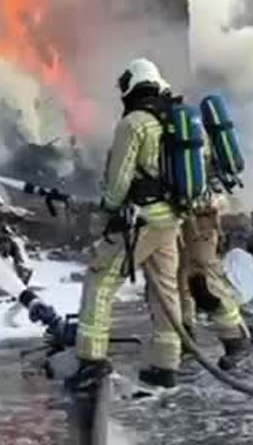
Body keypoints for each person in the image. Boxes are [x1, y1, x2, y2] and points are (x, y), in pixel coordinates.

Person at [71, 58, 184, 390]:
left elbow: (119, 182)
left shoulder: (134, 123)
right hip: (170, 219)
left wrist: (107, 207)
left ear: (132, 85)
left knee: (99, 279)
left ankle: (91, 362)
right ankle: (166, 366)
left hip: (142, 220)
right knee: (166, 290)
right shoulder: (174, 119)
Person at [178, 188, 252, 370]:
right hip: (169, 216)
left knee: (205, 282)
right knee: (176, 282)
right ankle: (183, 339)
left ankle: (235, 339)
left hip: (198, 212)